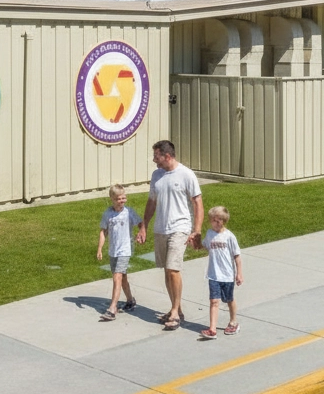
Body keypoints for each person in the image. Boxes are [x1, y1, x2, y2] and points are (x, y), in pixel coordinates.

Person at [136, 139, 203, 331]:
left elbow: (197, 203)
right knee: (167, 270)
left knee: (173, 269)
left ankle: (174, 311)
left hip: (179, 227)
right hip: (160, 228)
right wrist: (144, 226)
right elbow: (151, 202)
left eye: (157, 157)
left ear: (167, 156)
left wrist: (196, 231)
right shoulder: (156, 175)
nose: (154, 161)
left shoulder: (186, 174)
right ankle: (177, 309)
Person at [96, 184, 143, 321]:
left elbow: (140, 223)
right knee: (123, 278)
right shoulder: (108, 214)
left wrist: (141, 233)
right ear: (112, 199)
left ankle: (112, 309)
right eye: (118, 199)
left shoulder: (129, 212)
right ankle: (130, 300)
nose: (122, 201)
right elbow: (103, 231)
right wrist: (99, 249)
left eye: (124, 198)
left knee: (117, 277)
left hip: (125, 249)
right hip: (113, 251)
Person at [198, 205, 243, 339]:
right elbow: (204, 246)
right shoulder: (209, 234)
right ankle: (212, 329)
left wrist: (239, 273)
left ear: (223, 221)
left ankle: (233, 321)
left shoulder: (229, 237)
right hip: (213, 275)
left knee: (229, 299)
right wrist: (195, 243)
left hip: (227, 275)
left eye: (217, 221)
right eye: (212, 220)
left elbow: (237, 256)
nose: (214, 223)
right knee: (214, 301)